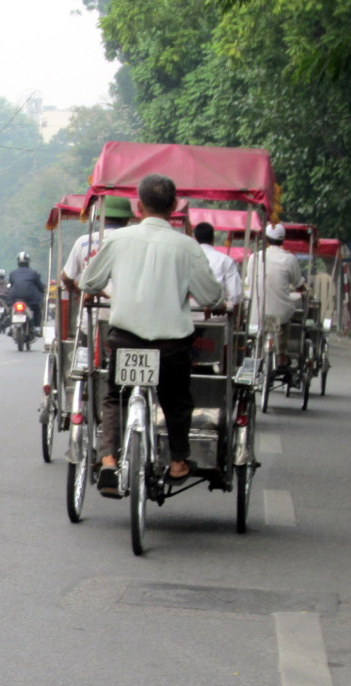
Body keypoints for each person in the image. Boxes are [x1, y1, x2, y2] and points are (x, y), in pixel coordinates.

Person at [79, 174, 223, 494]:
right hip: (171, 346)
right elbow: (211, 297)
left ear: (139, 205)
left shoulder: (118, 240)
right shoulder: (187, 246)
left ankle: (108, 461)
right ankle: (177, 462)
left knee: (115, 396)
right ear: (174, 206)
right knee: (175, 400)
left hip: (125, 339)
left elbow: (88, 282)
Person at [243, 222, 306, 369]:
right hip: (279, 312)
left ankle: (255, 355)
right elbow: (298, 284)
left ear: (266, 239)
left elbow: (248, 281)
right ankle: (281, 354)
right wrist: (303, 290)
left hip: (256, 312)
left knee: (258, 334)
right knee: (284, 320)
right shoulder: (289, 259)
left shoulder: (255, 258)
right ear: (283, 240)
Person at [60, 196, 133, 296]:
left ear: (99, 217)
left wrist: (78, 292)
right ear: (127, 219)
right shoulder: (134, 243)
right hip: (123, 305)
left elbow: (66, 277)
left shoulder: (83, 242)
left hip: (91, 307)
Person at [193, 222, 243, 310]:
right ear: (213, 238)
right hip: (219, 317)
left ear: (195, 239)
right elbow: (235, 294)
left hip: (191, 314)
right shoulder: (225, 260)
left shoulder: (188, 258)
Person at [8, 251, 46, 329]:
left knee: (10, 308)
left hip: (14, 297)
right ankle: (37, 327)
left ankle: (11, 325)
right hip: (29, 297)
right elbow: (40, 286)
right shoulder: (33, 273)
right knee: (36, 309)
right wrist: (43, 290)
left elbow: (11, 285)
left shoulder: (12, 273)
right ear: (28, 262)